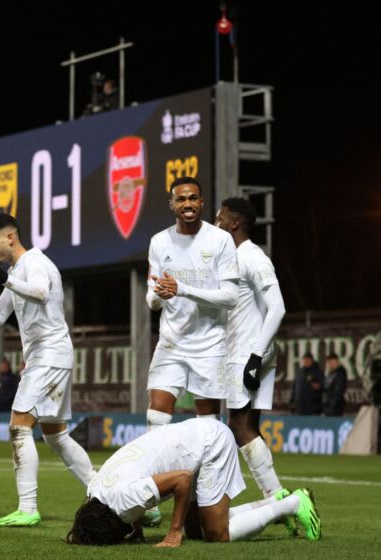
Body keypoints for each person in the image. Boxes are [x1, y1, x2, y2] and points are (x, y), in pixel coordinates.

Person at [0, 213, 97, 528]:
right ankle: (108, 492)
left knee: (19, 426)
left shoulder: (35, 263)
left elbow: (41, 292)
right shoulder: (17, 270)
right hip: (49, 356)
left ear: (10, 237)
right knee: (55, 436)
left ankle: (28, 508)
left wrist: (2, 278)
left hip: (49, 354)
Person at [144, 176, 239, 525]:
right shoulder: (159, 242)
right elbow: (152, 295)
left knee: (207, 425)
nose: (187, 204)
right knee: (156, 416)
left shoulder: (220, 240)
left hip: (209, 345)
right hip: (171, 343)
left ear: (202, 203)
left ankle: (200, 497)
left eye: (193, 199)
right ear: (171, 204)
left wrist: (181, 289)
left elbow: (230, 297)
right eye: (181, 199)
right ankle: (151, 499)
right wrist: (158, 296)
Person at [66, 418, 321, 547]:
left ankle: (295, 503)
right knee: (197, 531)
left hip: (210, 444)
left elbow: (182, 479)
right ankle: (274, 501)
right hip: (191, 438)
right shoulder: (95, 491)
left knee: (217, 534)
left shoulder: (123, 502)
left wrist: (174, 531)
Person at [216, 198, 291, 512]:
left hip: (248, 352)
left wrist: (256, 356)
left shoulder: (253, 257)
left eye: (220, 219)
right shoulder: (231, 258)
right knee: (246, 427)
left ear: (234, 223)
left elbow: (278, 307)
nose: (216, 224)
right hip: (248, 350)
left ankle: (278, 498)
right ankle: (275, 498)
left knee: (238, 425)